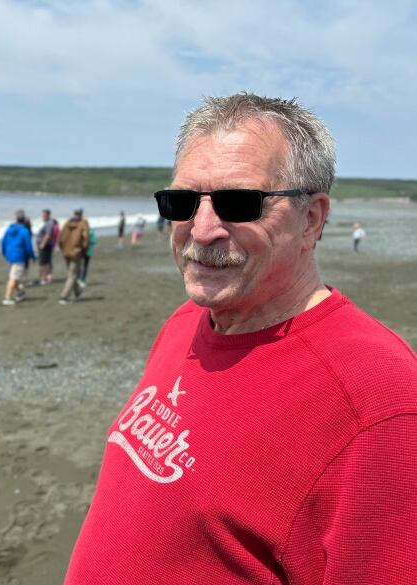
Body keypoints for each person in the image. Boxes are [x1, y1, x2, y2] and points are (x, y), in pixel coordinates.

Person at [64, 94, 416, 584]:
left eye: (239, 203)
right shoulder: (186, 321)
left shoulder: (378, 400)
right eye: (182, 202)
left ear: (311, 219)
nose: (202, 230)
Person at [0, 209, 35, 305]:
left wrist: (4, 253)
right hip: (19, 256)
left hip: (9, 255)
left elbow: (3, 242)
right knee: (13, 277)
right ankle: (7, 298)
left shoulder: (9, 229)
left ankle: (20, 293)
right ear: (23, 220)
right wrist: (33, 256)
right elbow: (28, 246)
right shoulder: (25, 231)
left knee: (16, 276)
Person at [58, 208, 89, 304]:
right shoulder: (83, 223)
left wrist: (63, 249)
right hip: (76, 252)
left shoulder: (67, 223)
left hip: (66, 252)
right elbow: (86, 239)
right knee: (72, 275)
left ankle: (78, 293)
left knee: (72, 273)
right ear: (81, 214)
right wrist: (84, 251)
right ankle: (64, 296)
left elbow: (61, 238)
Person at [37, 209, 58, 284]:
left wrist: (42, 244)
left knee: (44, 263)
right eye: (42, 215)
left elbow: (48, 235)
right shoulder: (47, 222)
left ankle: (44, 278)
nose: (43, 216)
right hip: (46, 245)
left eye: (45, 215)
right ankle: (47, 278)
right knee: (46, 262)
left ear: (49, 215)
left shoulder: (49, 223)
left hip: (46, 246)